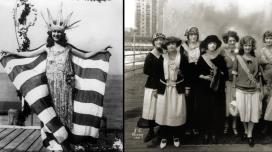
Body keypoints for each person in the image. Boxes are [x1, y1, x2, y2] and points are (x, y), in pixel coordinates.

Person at [1, 7, 110, 151]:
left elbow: (85, 56)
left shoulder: (68, 47)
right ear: (50, 33)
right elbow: (28, 55)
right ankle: (54, 137)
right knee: (51, 111)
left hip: (65, 86)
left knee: (65, 111)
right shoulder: (47, 47)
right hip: (50, 85)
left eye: (59, 32)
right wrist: (9, 52)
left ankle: (66, 138)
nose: (56, 34)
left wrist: (102, 50)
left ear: (63, 33)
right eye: (54, 31)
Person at [155, 36, 189, 149]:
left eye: (173, 44)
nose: (171, 46)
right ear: (165, 46)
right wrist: (156, 89)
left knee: (176, 112)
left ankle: (176, 136)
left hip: (177, 88)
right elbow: (157, 74)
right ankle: (164, 137)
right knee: (164, 112)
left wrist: (187, 87)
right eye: (169, 44)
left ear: (176, 45)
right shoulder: (162, 58)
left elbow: (187, 74)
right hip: (164, 88)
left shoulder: (182, 57)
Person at [196, 35, 227, 144]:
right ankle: (205, 132)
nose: (212, 45)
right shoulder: (202, 57)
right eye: (210, 43)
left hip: (217, 89)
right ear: (206, 45)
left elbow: (225, 74)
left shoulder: (220, 58)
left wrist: (218, 76)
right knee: (205, 110)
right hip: (204, 89)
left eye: (214, 43)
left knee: (216, 111)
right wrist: (204, 77)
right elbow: (197, 73)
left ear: (217, 45)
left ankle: (214, 133)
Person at [232, 36, 261, 147]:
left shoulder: (256, 59)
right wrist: (234, 89)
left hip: (253, 90)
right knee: (243, 112)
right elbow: (234, 74)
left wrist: (258, 87)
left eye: (249, 45)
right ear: (242, 46)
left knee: (253, 112)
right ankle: (245, 130)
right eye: (245, 45)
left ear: (252, 46)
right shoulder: (238, 58)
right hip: (240, 89)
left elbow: (258, 76)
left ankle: (249, 134)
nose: (247, 47)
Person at [137, 33, 166, 144]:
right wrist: (159, 74)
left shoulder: (165, 54)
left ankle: (162, 129)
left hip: (163, 84)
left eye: (161, 40)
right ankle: (151, 131)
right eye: (157, 40)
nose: (159, 42)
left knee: (162, 107)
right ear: (154, 42)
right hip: (152, 84)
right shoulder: (151, 54)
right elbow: (146, 70)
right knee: (151, 108)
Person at [179, 27, 201, 136]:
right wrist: (186, 84)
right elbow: (182, 66)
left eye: (195, 34)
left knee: (198, 103)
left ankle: (196, 126)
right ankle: (187, 126)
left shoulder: (201, 47)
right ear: (188, 36)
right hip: (187, 79)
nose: (193, 36)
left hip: (199, 79)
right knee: (188, 103)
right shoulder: (183, 47)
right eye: (191, 35)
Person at [221, 30, 240, 135]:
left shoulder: (240, 51)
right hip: (227, 81)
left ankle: (234, 125)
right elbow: (219, 67)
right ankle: (226, 125)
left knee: (236, 103)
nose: (232, 42)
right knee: (227, 103)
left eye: (233, 40)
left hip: (237, 82)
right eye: (229, 41)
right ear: (226, 41)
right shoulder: (223, 52)